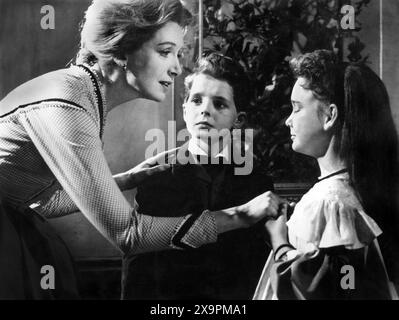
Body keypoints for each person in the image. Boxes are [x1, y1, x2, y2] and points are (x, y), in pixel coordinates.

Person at [0, 0, 283, 299]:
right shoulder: (68, 104)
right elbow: (129, 235)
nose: (176, 67)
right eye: (165, 52)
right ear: (123, 49)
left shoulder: (83, 96)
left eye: (177, 54)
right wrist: (239, 215)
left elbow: (40, 201)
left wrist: (127, 178)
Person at [121, 51, 276, 300]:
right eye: (196, 101)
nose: (205, 111)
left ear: (239, 120)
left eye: (219, 103)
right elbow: (139, 265)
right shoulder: (157, 176)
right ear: (184, 110)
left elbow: (256, 270)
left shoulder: (257, 182)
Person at [254, 49, 399, 300]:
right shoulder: (356, 192)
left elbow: (321, 292)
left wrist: (279, 242)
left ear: (330, 116)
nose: (288, 121)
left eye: (297, 108)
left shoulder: (329, 203)